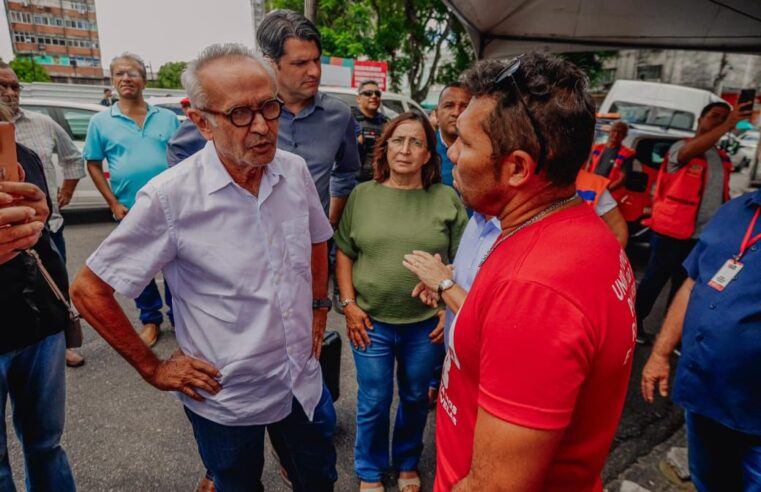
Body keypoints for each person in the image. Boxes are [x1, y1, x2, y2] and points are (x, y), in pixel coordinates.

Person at [71, 43, 337, 492]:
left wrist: (317, 307)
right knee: (236, 484)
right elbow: (88, 289)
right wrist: (154, 369)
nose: (261, 127)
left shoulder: (293, 171)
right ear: (200, 122)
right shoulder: (170, 197)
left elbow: (316, 238)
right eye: (239, 114)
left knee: (318, 478)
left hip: (300, 381)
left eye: (269, 108)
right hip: (227, 397)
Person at [425, 54, 635, 491]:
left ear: (517, 167)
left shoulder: (535, 290)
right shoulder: (574, 227)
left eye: (464, 142)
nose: (451, 151)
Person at [334, 111, 467, 492]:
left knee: (413, 396)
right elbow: (344, 252)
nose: (405, 149)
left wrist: (446, 308)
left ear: (428, 155)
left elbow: (464, 259)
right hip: (371, 321)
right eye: (397, 140)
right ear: (385, 147)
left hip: (425, 323)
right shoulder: (362, 195)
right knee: (374, 399)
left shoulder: (446, 198)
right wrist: (349, 304)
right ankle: (370, 469)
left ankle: (407, 461)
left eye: (416, 142)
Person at [641, 187, 761, 491]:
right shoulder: (734, 211)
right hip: (704, 395)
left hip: (755, 410)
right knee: (709, 482)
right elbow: (693, 283)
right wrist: (660, 354)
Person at [0, 105, 77, 489]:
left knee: (46, 443)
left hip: (37, 323)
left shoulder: (19, 152)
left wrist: (39, 217)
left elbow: (45, 241)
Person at [83, 52, 180, 348]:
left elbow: (181, 158)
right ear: (112, 81)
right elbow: (93, 163)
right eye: (120, 73)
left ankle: (181, 319)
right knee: (141, 268)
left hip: (172, 206)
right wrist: (113, 202)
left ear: (144, 80)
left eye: (133, 73)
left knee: (177, 265)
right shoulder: (101, 122)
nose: (126, 78)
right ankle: (151, 321)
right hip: (130, 209)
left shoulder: (167, 118)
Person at [634, 100, 752, 343]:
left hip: (701, 236)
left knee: (683, 287)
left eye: (724, 118)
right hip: (670, 231)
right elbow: (688, 153)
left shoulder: (721, 157)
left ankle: (669, 336)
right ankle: (631, 326)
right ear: (700, 120)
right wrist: (728, 124)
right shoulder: (682, 147)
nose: (719, 121)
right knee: (654, 281)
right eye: (715, 116)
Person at [0, 60, 86, 367]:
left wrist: (64, 196)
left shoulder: (41, 124)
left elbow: (73, 159)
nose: (10, 93)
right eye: (2, 86)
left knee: (52, 285)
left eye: (14, 86)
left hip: (44, 231)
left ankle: (62, 341)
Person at [257, 9, 360, 227]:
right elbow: (183, 153)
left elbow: (346, 171)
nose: (313, 71)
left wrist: (329, 222)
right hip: (252, 245)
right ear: (271, 63)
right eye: (300, 63)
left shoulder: (339, 115)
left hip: (314, 247)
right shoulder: (246, 112)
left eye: (316, 61)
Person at [435, 82, 471, 188]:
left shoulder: (488, 150)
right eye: (449, 106)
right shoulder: (424, 149)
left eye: (464, 106)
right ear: (437, 115)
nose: (456, 112)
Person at [352, 80, 389, 182]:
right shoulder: (348, 119)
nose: (374, 96)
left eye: (377, 94)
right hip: (350, 181)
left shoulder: (385, 122)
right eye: (368, 93)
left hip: (376, 179)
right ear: (358, 98)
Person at [586, 121, 634, 191]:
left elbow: (622, 180)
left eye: (620, 132)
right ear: (609, 132)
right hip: (590, 189)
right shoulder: (596, 148)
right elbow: (588, 168)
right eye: (614, 131)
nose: (616, 134)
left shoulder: (627, 154)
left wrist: (604, 192)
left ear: (625, 136)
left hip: (608, 192)